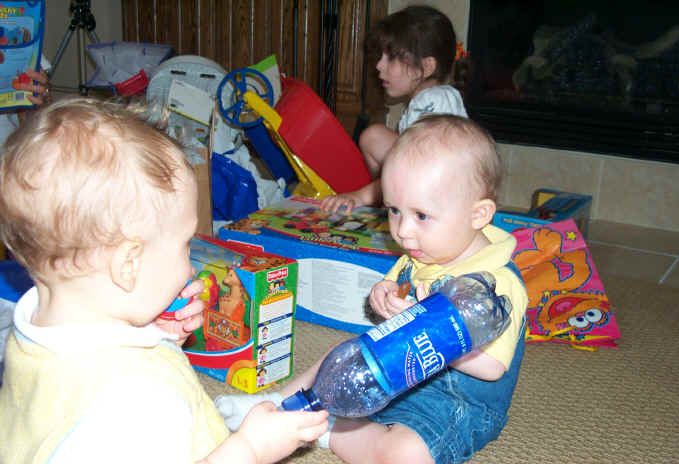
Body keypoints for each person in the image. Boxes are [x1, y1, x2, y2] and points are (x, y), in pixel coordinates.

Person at [0, 97, 328, 464]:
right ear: (128, 265)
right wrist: (250, 449)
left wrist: (155, 336)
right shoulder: (141, 398)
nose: (192, 267)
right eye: (185, 244)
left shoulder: (34, 329)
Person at [215, 114, 529, 464]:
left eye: (421, 216)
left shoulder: (498, 285)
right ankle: (275, 407)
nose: (402, 231)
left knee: (407, 455)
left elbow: (492, 369)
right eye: (394, 210)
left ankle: (331, 430)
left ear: (478, 215)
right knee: (339, 356)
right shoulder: (422, 252)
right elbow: (394, 286)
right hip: (396, 371)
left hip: (454, 403)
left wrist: (426, 328)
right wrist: (384, 294)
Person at [321, 5, 469, 213]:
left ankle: (393, 201)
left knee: (375, 136)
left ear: (426, 67)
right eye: (381, 56)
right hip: (429, 187)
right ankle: (392, 200)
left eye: (390, 58)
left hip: (443, 198)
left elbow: (415, 168)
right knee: (374, 137)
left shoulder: (435, 100)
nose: (379, 65)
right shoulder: (427, 101)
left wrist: (359, 196)